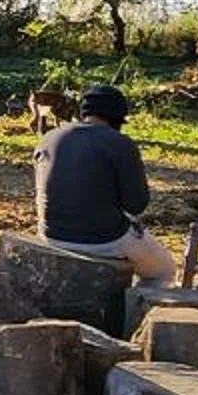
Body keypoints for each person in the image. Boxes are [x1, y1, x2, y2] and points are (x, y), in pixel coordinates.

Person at [31, 85, 178, 284]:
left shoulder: (48, 138)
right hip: (103, 239)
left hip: (51, 234)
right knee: (164, 270)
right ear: (117, 119)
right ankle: (134, 302)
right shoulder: (119, 143)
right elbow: (136, 204)